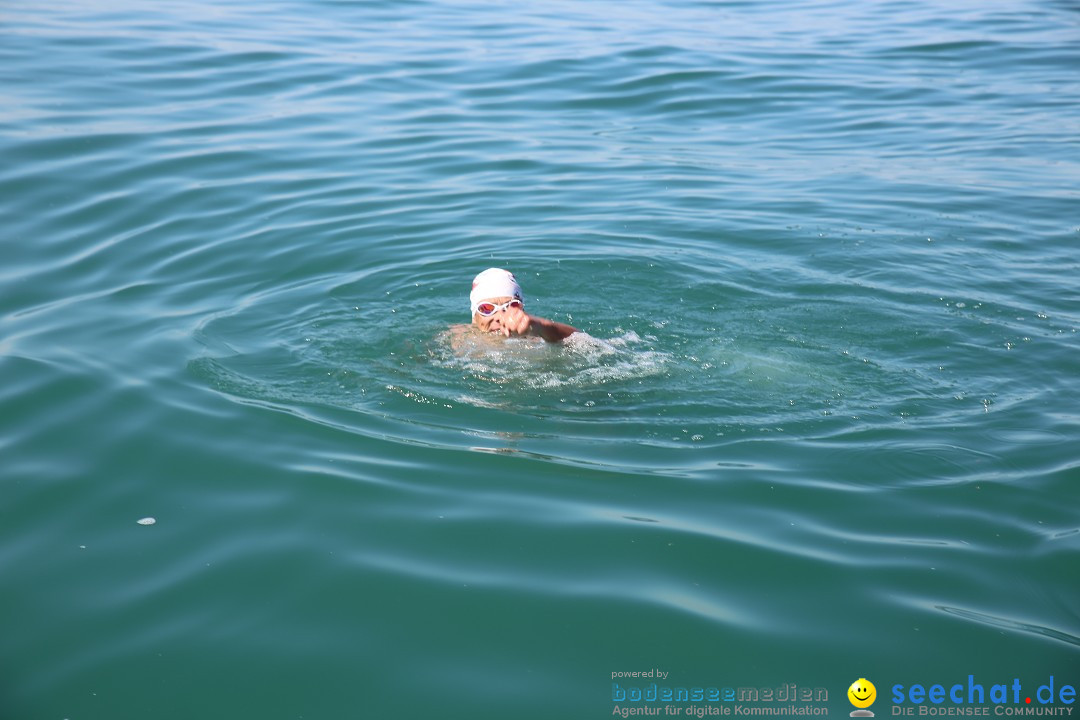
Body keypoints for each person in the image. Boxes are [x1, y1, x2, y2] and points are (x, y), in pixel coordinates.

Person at [468, 268, 577, 343]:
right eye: (487, 308)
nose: (500, 317)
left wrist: (540, 326)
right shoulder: (460, 339)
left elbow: (580, 339)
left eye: (511, 306)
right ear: (474, 316)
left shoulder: (535, 339)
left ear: (522, 310)